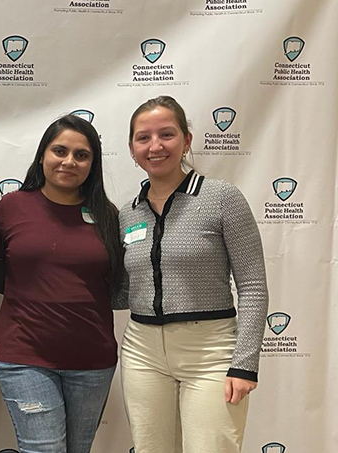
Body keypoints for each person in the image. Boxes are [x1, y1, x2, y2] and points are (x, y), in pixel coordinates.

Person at [116, 95, 268, 453]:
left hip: (211, 351)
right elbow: (123, 291)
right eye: (143, 138)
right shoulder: (127, 213)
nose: (155, 146)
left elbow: (253, 287)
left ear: (186, 140)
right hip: (142, 350)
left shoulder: (221, 198)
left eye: (166, 134)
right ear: (132, 148)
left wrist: (244, 364)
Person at [0, 114, 123, 453]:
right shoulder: (11, 207)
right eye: (59, 150)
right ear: (42, 155)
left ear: (93, 164)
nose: (69, 161)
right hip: (25, 357)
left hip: (93, 360)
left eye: (81, 155)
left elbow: (115, 280)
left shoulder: (107, 214)